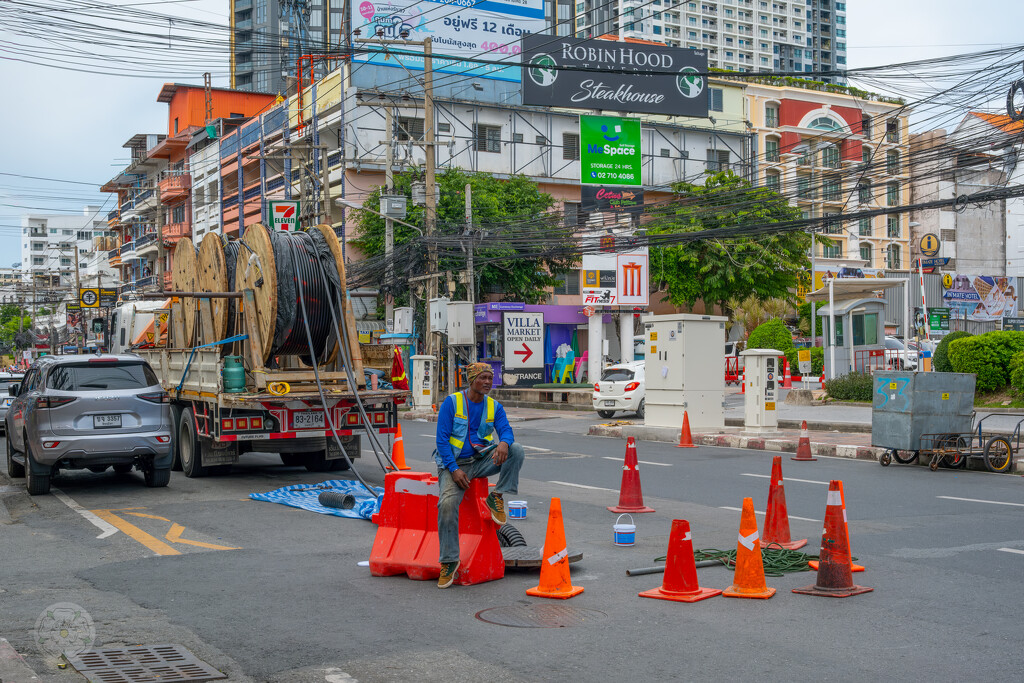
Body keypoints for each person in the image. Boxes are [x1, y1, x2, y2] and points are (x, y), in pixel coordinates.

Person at [434, 362, 524, 589]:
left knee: (516, 450)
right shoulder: (451, 403)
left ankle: (498, 496)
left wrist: (504, 442)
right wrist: (454, 470)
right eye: (482, 378)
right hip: (453, 464)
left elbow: (506, 430)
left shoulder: (495, 406)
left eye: (489, 378)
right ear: (471, 379)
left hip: (481, 460)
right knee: (446, 504)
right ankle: (449, 561)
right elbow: (442, 441)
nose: (487, 382)